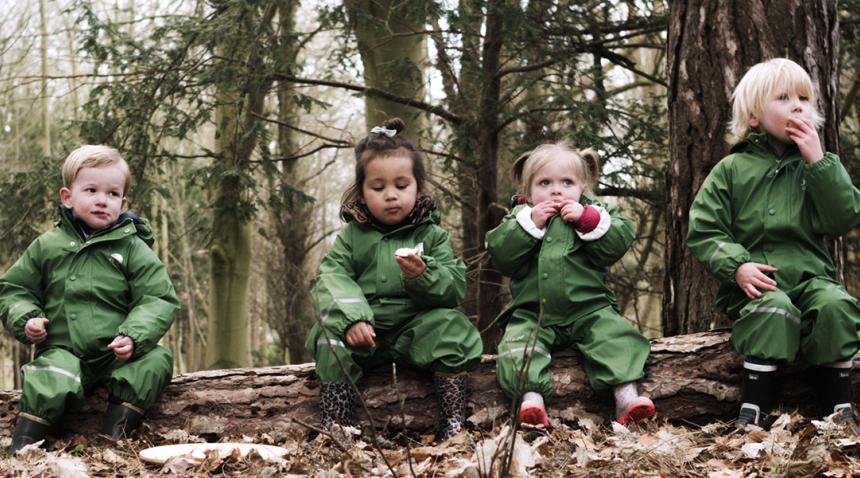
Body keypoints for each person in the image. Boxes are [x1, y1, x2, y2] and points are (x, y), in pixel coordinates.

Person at [688, 58, 860, 428]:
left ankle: (838, 409)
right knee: (773, 308)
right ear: (754, 117)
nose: (798, 105)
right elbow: (705, 230)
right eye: (783, 97)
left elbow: (843, 217)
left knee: (836, 307)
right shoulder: (731, 170)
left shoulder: (818, 166)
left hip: (812, 279)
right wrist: (737, 266)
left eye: (804, 98)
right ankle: (755, 409)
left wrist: (819, 163)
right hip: (758, 285)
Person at [305, 118, 482, 439]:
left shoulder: (432, 235)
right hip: (364, 335)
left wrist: (424, 275)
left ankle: (453, 425)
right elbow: (331, 278)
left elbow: (455, 288)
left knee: (452, 327)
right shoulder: (351, 237)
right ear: (361, 191)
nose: (390, 195)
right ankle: (336, 424)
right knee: (326, 334)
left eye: (401, 186)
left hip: (414, 330)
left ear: (417, 187)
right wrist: (351, 320)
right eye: (378, 187)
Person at [1, 145, 179, 452]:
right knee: (49, 374)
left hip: (116, 354)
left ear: (123, 203)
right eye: (91, 190)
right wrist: (26, 318)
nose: (101, 200)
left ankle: (117, 435)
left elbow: (158, 297)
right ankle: (25, 443)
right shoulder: (48, 245)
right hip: (63, 349)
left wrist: (134, 336)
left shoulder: (132, 248)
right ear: (67, 197)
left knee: (157, 360)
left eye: (112, 194)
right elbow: (14, 289)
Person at [486, 142, 654, 426]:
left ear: (582, 187)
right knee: (518, 346)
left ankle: (626, 398)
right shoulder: (520, 217)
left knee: (616, 336)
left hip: (589, 308)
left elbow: (618, 241)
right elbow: (501, 254)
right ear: (527, 191)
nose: (556, 190)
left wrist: (588, 221)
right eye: (545, 182)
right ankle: (531, 401)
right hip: (533, 312)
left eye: (567, 182)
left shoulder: (593, 214)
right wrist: (530, 226)